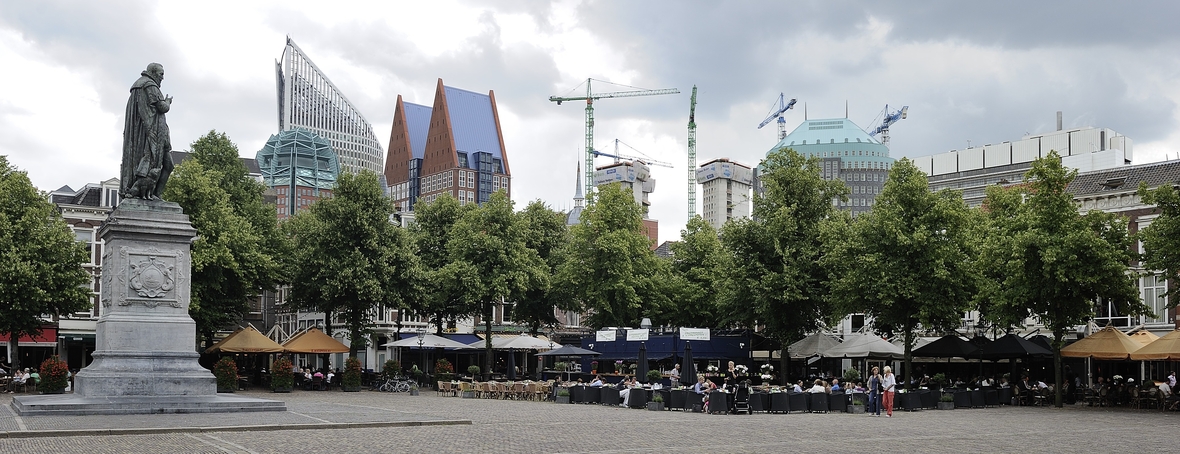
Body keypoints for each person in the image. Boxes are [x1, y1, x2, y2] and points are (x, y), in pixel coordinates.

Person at [120, 62, 174, 200]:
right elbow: (162, 107)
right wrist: (167, 101)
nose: (162, 78)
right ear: (153, 73)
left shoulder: (139, 86)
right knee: (167, 165)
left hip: (152, 134)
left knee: (168, 165)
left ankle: (156, 194)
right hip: (152, 136)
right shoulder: (149, 85)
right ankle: (154, 194)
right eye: (161, 74)